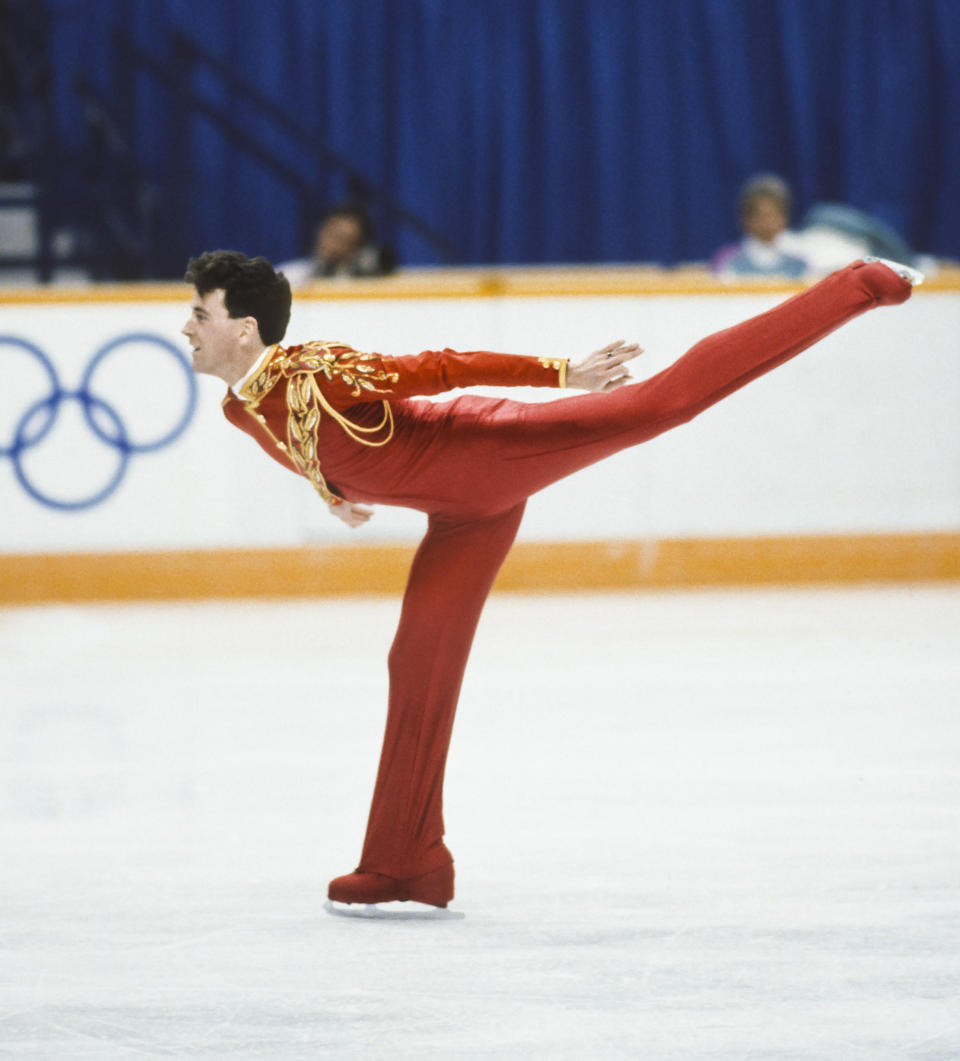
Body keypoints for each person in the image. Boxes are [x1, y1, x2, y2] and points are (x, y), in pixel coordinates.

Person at [182, 249, 921, 911]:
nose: (187, 326)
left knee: (658, 403)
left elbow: (440, 366)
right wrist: (333, 495)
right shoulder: (239, 408)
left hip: (484, 452)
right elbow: (301, 442)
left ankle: (860, 284)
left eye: (199, 312)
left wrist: (563, 373)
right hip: (461, 513)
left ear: (243, 328)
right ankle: (408, 863)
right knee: (416, 659)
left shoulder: (312, 367)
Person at [711, 173, 808, 279]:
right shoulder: (728, 260)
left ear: (785, 217)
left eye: (773, 215)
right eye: (761, 215)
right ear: (746, 218)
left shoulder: (801, 261)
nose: (767, 222)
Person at [277, 202, 396, 285]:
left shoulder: (362, 286)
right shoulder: (291, 274)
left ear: (357, 247)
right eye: (330, 232)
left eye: (343, 238)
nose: (332, 242)